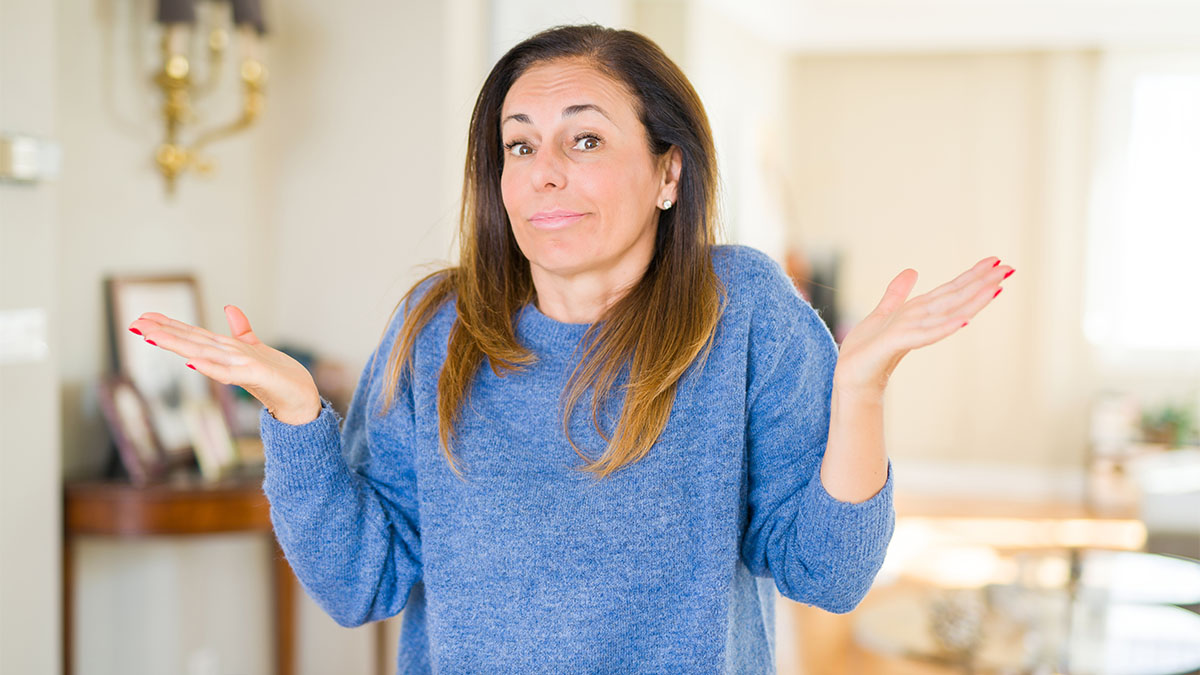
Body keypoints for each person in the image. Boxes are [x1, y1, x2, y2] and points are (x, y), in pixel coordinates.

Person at [128, 23, 1014, 674]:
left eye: (585, 139)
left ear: (670, 170)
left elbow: (830, 571)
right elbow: (364, 582)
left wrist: (859, 391)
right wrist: (294, 418)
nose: (544, 169)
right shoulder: (435, 327)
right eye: (520, 144)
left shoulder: (743, 308)